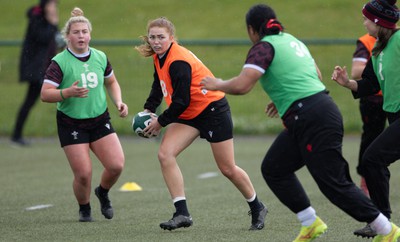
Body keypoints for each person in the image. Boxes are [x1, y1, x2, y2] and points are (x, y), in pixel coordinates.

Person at [201, 3, 400, 242]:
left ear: (252, 29)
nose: (363, 23)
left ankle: (386, 230)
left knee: (333, 183)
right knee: (274, 168)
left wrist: (217, 84)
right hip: (312, 112)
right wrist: (286, 95)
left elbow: (243, 85)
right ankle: (310, 222)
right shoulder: (291, 40)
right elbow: (314, 74)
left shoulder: (263, 47)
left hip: (311, 117)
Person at [135, 17, 267, 231]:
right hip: (189, 113)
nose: (156, 41)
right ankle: (182, 213)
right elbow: (158, 85)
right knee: (165, 154)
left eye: (161, 37)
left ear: (171, 38)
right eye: (152, 37)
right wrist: (149, 108)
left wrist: (160, 121)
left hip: (212, 110)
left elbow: (181, 101)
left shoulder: (178, 60)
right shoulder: (159, 56)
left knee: (227, 168)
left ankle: (257, 206)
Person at [40, 7, 128, 222]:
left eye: (84, 32)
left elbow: (112, 81)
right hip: (72, 124)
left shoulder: (100, 56)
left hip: (99, 119)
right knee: (83, 174)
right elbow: (45, 94)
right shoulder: (59, 62)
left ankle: (103, 192)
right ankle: (85, 208)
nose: (81, 36)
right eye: (76, 32)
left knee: (116, 165)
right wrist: (67, 92)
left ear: (90, 34)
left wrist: (118, 101)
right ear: (67, 36)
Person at [332, 0, 400, 240]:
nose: (363, 22)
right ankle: (383, 223)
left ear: (378, 22)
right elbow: (370, 84)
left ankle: (383, 223)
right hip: (395, 116)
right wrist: (347, 83)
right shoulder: (378, 49)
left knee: (372, 159)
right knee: (374, 160)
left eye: (366, 19)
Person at [11, 0, 62, 146]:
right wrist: (53, 23)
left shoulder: (48, 20)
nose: (54, 8)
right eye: (52, 4)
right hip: (36, 69)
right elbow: (43, 38)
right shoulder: (36, 18)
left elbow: (57, 41)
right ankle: (16, 135)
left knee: (59, 97)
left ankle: (16, 135)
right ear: (45, 5)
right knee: (32, 100)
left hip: (46, 68)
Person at [352, 33, 386, 199]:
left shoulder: (395, 39)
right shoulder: (366, 41)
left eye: (367, 19)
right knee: (371, 138)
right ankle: (366, 179)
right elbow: (356, 71)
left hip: (394, 97)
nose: (364, 22)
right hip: (373, 98)